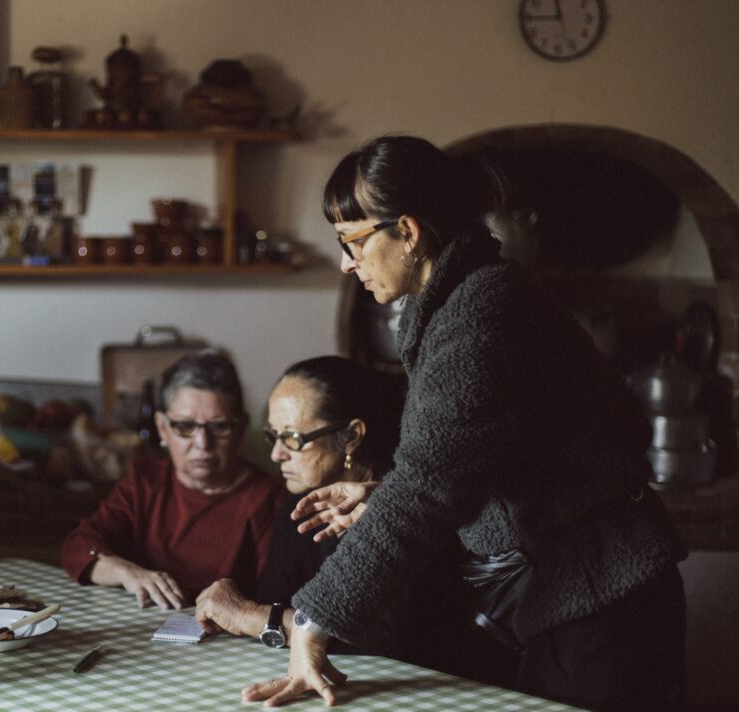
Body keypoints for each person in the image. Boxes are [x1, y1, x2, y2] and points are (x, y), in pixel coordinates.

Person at [242, 135, 687, 712]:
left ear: (407, 231)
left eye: (352, 241)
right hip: (578, 595)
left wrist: (313, 617)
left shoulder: (481, 315)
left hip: (604, 599)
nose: (347, 262)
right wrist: (384, 494)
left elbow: (431, 485)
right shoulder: (466, 302)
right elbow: (481, 460)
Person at [195, 356, 413, 655]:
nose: (276, 455)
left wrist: (247, 615)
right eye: (273, 435)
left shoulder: (401, 507)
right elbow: (277, 601)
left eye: (292, 438)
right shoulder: (301, 500)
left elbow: (377, 638)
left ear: (350, 437)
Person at [61, 350, 283, 609]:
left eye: (219, 427)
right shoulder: (146, 482)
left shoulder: (268, 498)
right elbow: (78, 546)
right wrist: (125, 571)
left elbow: (275, 598)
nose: (202, 444)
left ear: (241, 427)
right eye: (185, 427)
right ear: (162, 428)